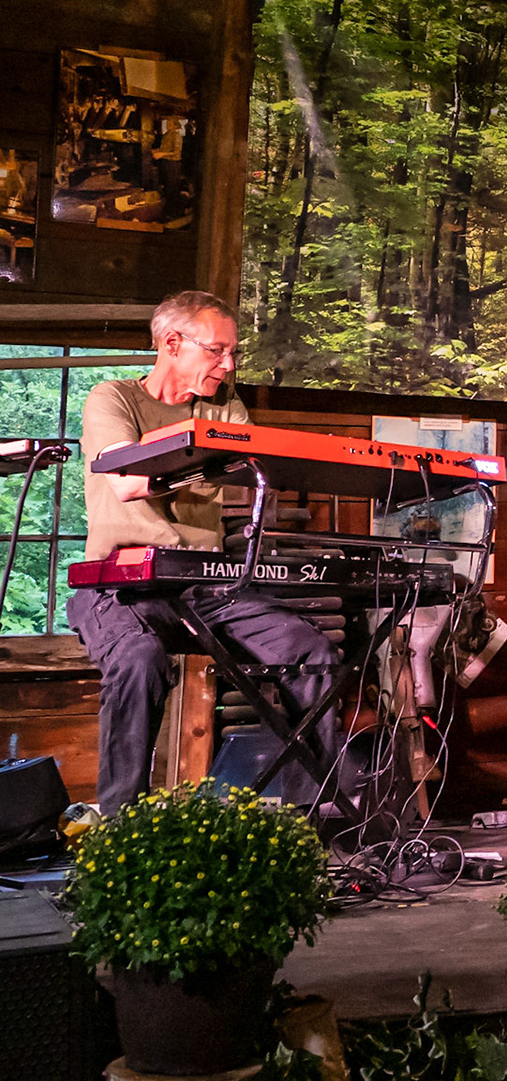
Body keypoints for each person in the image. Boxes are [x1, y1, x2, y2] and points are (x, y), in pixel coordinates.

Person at [71, 290, 338, 813]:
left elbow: (252, 474)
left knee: (312, 652)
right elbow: (126, 480)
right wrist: (206, 453)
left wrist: (208, 456)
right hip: (119, 583)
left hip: (205, 583)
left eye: (232, 352)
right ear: (172, 343)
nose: (229, 365)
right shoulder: (112, 398)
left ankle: (316, 814)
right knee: (139, 659)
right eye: (217, 351)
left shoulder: (224, 406)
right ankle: (121, 823)